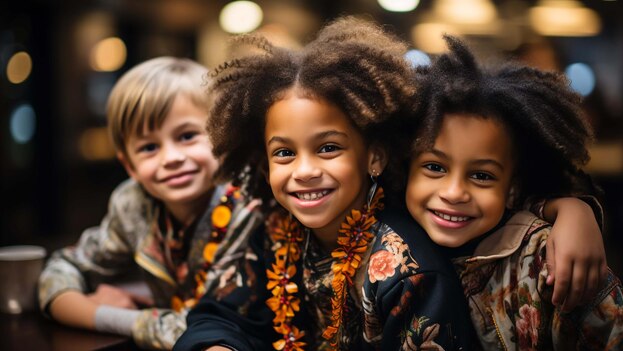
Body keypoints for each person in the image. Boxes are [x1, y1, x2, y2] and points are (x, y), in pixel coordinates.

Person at [175, 17, 478, 351]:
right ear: (265, 166)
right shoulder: (275, 232)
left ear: (374, 157)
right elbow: (222, 314)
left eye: (328, 148)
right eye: (285, 153)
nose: (304, 170)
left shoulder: (408, 274)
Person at [400, 36, 623, 349]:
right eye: (435, 168)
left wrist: (575, 209)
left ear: (513, 186)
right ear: (404, 167)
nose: (453, 192)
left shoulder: (547, 267)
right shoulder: (380, 236)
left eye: (481, 175)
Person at [38, 57, 263, 350]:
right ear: (129, 165)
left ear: (222, 138)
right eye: (149, 147)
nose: (170, 158)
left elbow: (215, 326)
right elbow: (64, 267)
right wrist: (70, 302)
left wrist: (106, 316)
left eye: (187, 136)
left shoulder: (248, 204)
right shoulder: (134, 204)